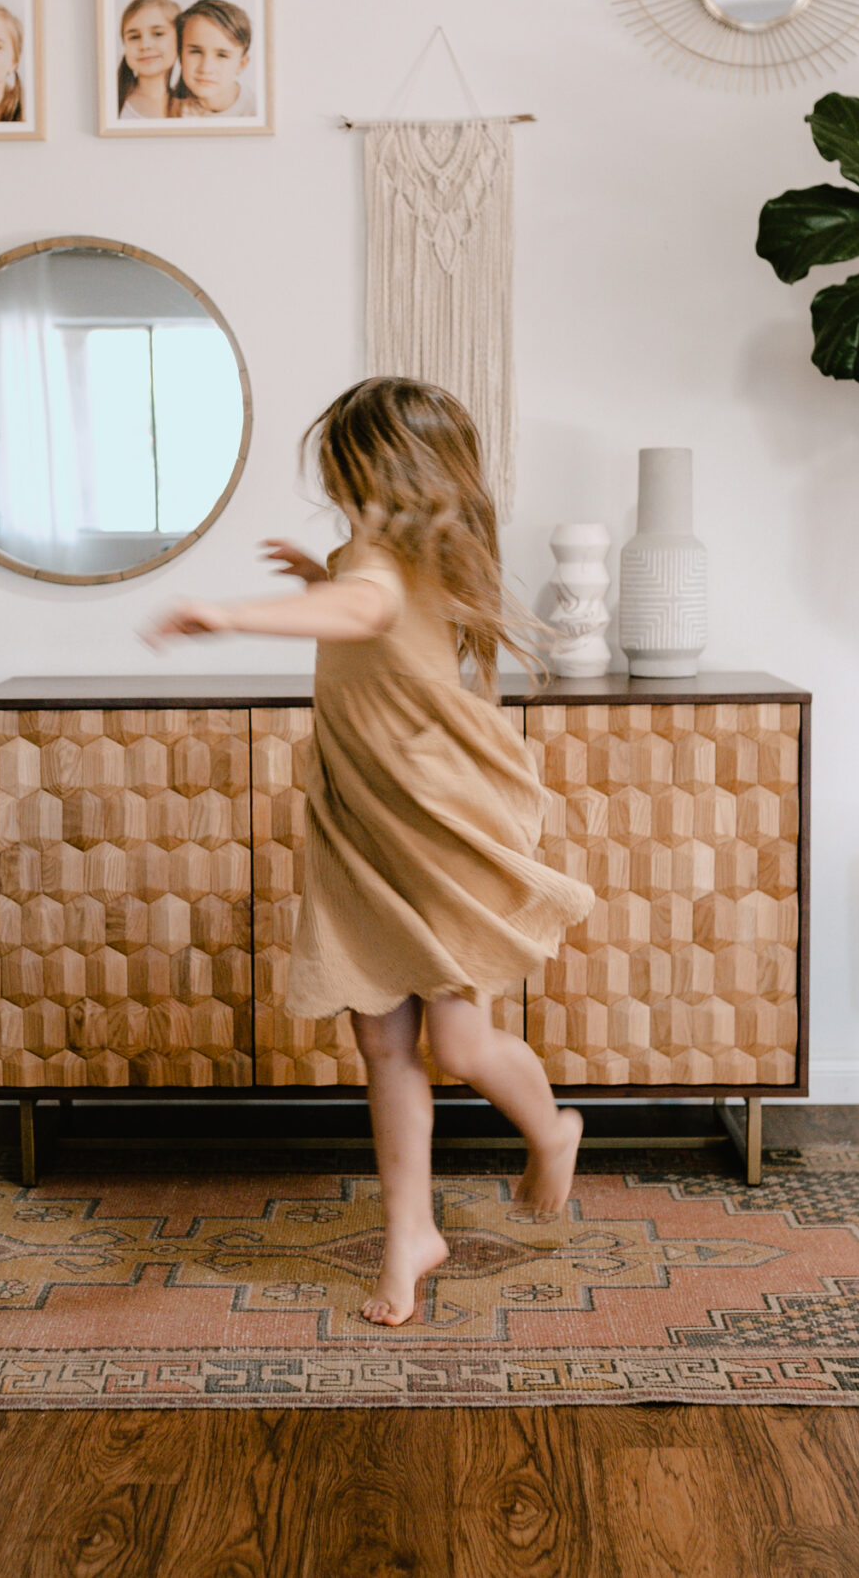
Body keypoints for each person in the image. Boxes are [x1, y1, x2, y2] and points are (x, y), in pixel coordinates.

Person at [142, 378, 594, 1326]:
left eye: (344, 465)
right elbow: (363, 617)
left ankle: (553, 1128)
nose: (335, 482)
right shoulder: (378, 556)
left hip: (433, 830)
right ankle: (408, 1232)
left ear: (381, 470)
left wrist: (228, 614)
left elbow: (362, 615)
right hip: (365, 821)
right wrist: (316, 577)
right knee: (381, 1039)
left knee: (459, 1043)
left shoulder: (385, 566)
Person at [175, 0, 255, 118]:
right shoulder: (170, 109)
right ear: (180, 55)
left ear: (241, 64)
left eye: (222, 55)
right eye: (196, 51)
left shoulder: (256, 112)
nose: (206, 68)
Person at [113, 0, 183, 121]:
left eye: (157, 34)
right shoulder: (112, 105)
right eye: (134, 37)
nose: (145, 45)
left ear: (179, 40)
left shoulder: (193, 107)